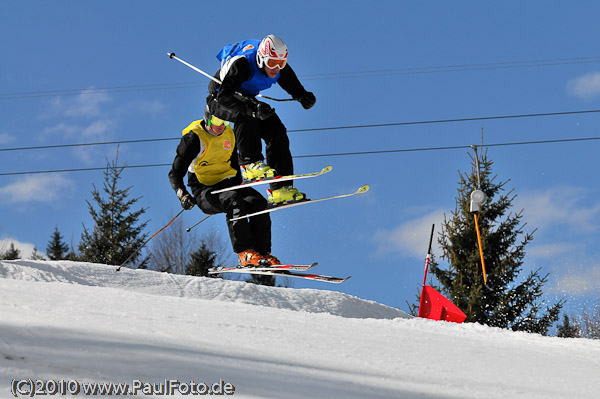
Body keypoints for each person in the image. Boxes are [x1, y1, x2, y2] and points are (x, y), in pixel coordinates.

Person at [208, 34, 316, 205]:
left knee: (277, 130)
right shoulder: (243, 64)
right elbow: (224, 97)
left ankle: (281, 188)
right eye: (272, 63)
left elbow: (290, 82)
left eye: (281, 63)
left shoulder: (279, 66)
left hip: (246, 99)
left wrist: (302, 96)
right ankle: (249, 164)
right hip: (220, 99)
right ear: (261, 58)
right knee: (247, 115)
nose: (276, 68)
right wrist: (252, 109)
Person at [168, 104, 280, 267]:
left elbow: (234, 162)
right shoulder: (194, 138)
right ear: (208, 118)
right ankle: (244, 253)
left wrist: (243, 182)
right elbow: (175, 173)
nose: (221, 126)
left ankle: (262, 253)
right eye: (217, 120)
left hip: (228, 184)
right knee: (233, 201)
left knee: (259, 203)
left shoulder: (229, 133)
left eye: (225, 121)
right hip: (205, 190)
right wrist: (182, 195)